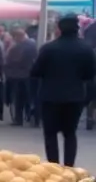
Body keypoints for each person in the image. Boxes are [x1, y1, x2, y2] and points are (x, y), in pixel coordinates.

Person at [31, 14, 96, 166]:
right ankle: (69, 167)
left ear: (59, 29)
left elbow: (35, 72)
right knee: (70, 134)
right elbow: (90, 74)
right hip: (75, 97)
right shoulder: (86, 49)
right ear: (77, 29)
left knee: (50, 134)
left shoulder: (48, 48)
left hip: (50, 97)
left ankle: (53, 166)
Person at [3, 26, 38, 126]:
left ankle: (19, 119)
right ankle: (33, 119)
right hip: (30, 75)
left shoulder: (17, 46)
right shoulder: (32, 45)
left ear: (16, 37)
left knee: (19, 99)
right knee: (31, 98)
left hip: (18, 76)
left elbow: (11, 60)